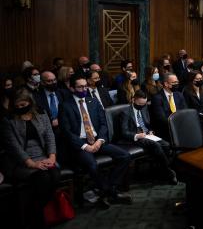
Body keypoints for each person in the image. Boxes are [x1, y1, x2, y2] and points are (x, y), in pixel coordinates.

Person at [59, 75, 132, 209]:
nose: (84, 89)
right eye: (80, 87)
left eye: (85, 86)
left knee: (125, 156)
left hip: (97, 139)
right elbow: (66, 132)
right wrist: (85, 146)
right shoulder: (65, 105)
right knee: (92, 165)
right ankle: (111, 192)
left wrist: (99, 141)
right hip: (80, 144)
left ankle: (107, 189)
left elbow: (103, 124)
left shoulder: (93, 101)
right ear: (71, 88)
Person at [0, 89, 61, 228]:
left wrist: (52, 157)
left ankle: (34, 211)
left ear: (30, 102)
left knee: (55, 174)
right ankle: (37, 218)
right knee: (43, 178)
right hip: (21, 161)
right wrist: (32, 163)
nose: (21, 108)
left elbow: (50, 136)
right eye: (18, 106)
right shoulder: (8, 120)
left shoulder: (41, 113)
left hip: (43, 155)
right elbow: (13, 147)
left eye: (24, 104)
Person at [119, 90, 177, 184]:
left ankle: (161, 170)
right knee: (156, 145)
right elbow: (124, 132)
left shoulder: (144, 108)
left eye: (144, 104)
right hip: (135, 136)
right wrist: (138, 135)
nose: (142, 106)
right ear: (134, 100)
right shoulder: (125, 112)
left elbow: (147, 123)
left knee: (166, 144)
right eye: (140, 104)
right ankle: (168, 172)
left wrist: (150, 131)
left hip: (146, 133)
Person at [150, 72, 186, 140]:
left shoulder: (179, 95)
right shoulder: (157, 98)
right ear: (166, 84)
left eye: (177, 82)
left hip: (180, 125)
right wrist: (176, 125)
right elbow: (161, 118)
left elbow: (184, 111)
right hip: (166, 129)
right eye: (174, 82)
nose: (176, 84)